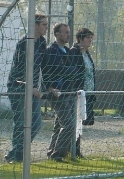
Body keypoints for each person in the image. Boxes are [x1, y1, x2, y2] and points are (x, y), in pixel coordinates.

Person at [4, 13, 48, 163]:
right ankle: (17, 155)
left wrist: (43, 87)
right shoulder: (24, 43)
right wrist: (29, 87)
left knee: (35, 123)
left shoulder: (42, 42)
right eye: (44, 24)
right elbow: (18, 71)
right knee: (21, 122)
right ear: (35, 25)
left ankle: (17, 152)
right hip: (18, 88)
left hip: (33, 89)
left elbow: (43, 67)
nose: (46, 27)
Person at [42, 23, 78, 162]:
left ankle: (51, 152)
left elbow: (73, 70)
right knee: (69, 125)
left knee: (59, 125)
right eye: (65, 32)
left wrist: (66, 71)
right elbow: (50, 71)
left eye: (69, 32)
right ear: (57, 34)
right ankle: (58, 154)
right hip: (57, 93)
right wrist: (50, 87)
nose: (68, 35)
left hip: (69, 92)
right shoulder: (51, 51)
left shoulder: (67, 51)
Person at [71, 27, 96, 159]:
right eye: (88, 37)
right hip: (77, 93)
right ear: (80, 38)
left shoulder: (87, 54)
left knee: (81, 122)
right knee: (75, 122)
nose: (90, 40)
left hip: (87, 93)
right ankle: (73, 151)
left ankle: (76, 150)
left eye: (91, 38)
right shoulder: (74, 52)